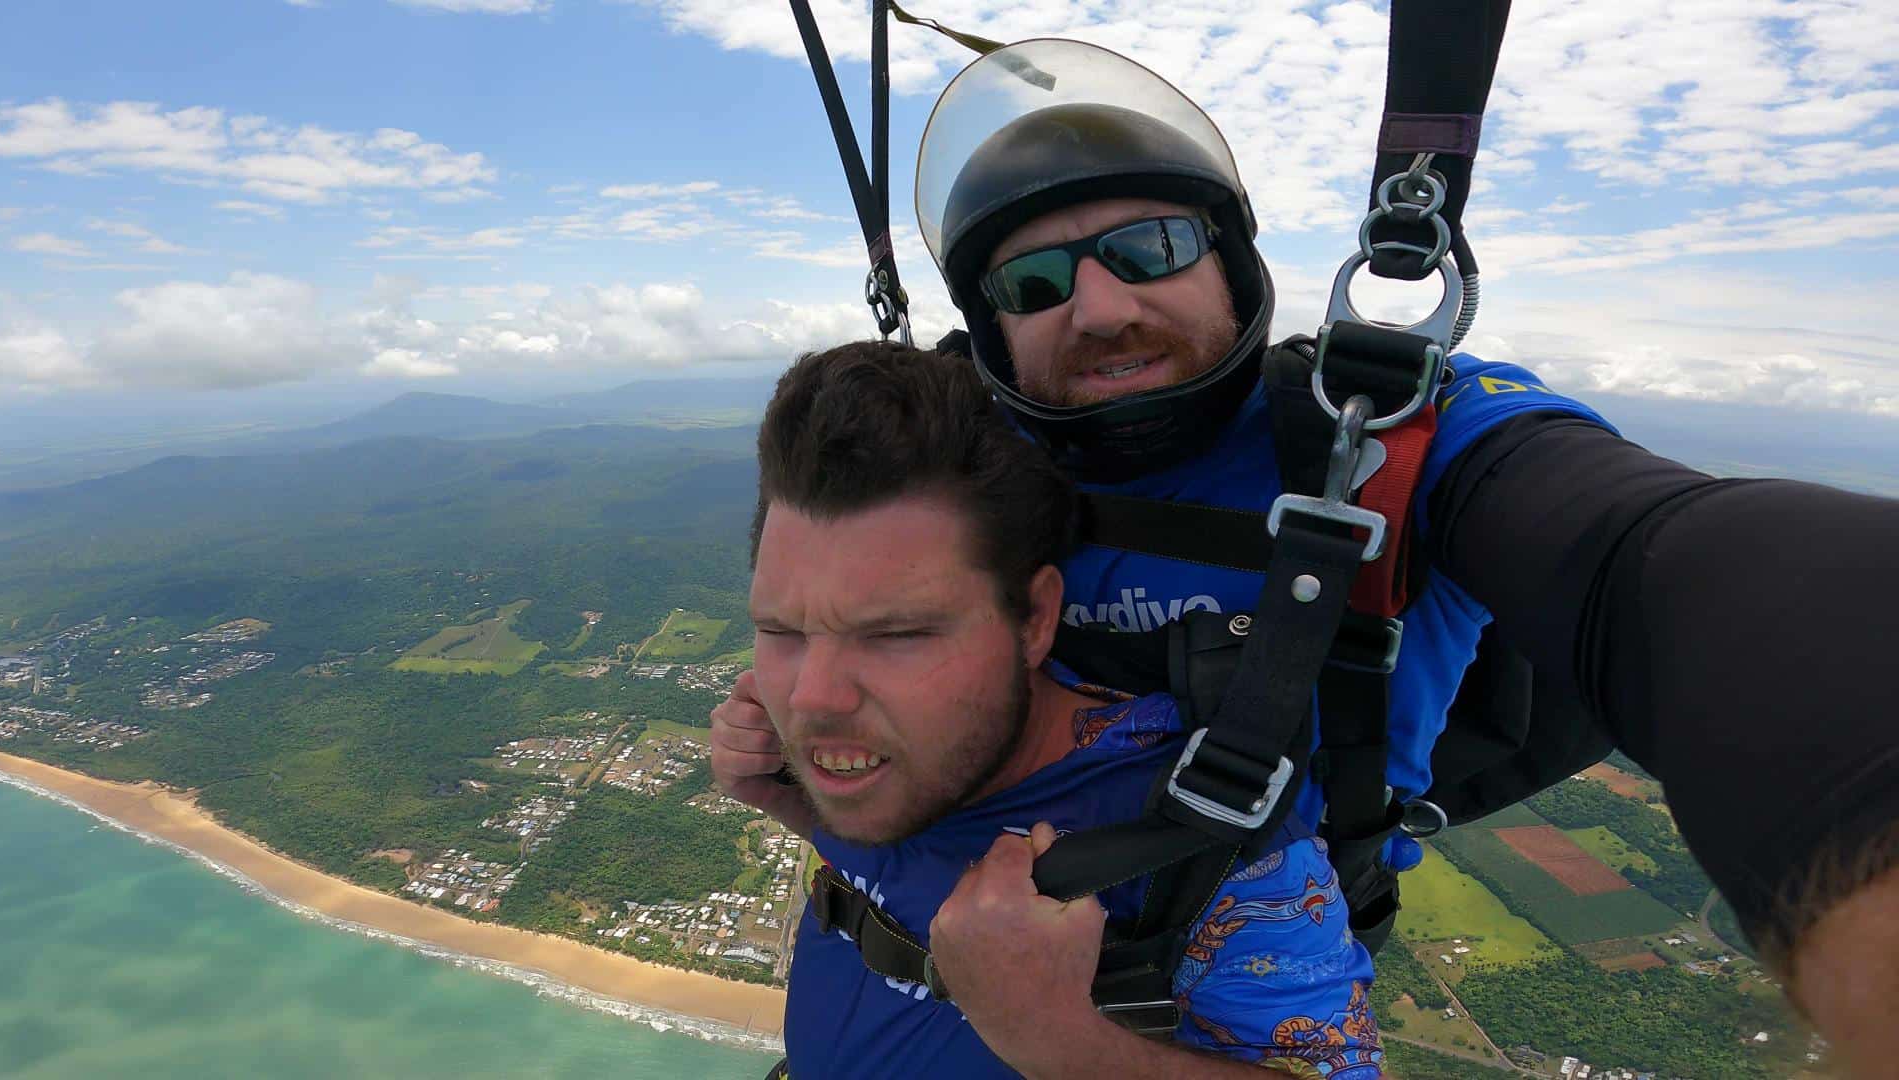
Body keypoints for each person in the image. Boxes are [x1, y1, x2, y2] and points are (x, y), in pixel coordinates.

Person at [722, 40, 1899, 1077]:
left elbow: (1660, 564)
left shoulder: (1382, 442)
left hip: (1196, 996)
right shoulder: (964, 458)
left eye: (1151, 246)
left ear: (1230, 259)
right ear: (989, 326)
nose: (1096, 307)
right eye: (1031, 282)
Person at [723, 340, 1384, 1077]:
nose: (812, 699)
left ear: (1036, 620)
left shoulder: (1209, 853)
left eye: (897, 635)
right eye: (781, 631)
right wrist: (797, 804)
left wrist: (1061, 1042)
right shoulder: (900, 755)